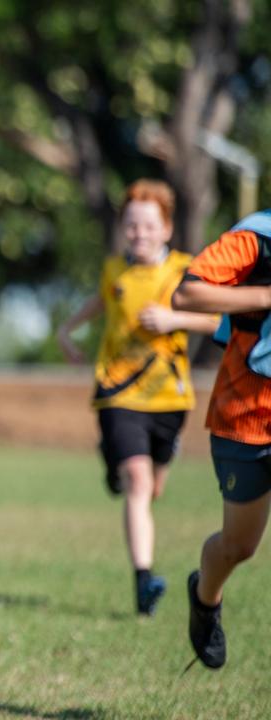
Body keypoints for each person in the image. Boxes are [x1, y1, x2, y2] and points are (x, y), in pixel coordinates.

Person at [56, 180, 219, 616]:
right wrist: (67, 329)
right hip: (118, 392)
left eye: (148, 225)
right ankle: (144, 581)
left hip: (171, 398)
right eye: (131, 225)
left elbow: (219, 321)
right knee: (138, 481)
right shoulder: (115, 271)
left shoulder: (185, 269)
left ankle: (116, 461)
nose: (139, 233)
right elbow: (101, 301)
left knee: (153, 488)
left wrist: (174, 318)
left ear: (166, 229)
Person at [172, 209, 271, 669]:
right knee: (238, 547)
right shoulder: (256, 237)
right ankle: (205, 598)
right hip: (247, 415)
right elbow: (187, 293)